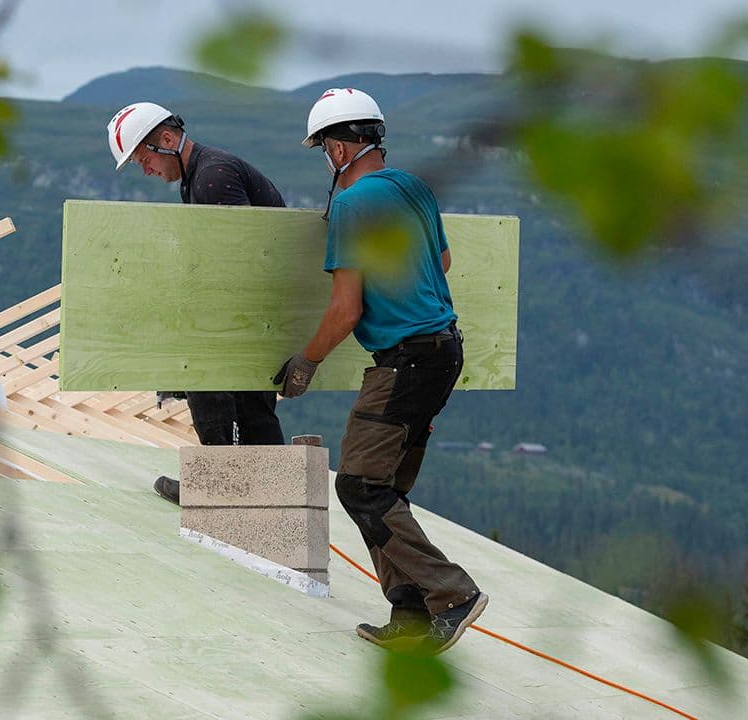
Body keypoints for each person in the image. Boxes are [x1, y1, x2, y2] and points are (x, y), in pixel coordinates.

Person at [273, 88, 487, 655]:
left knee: (360, 486)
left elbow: (346, 309)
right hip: (443, 353)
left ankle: (452, 592)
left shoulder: (351, 205)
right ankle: (411, 614)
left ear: (340, 148)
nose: (327, 159)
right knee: (385, 488)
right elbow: (442, 261)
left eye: (324, 149)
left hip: (407, 360)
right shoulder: (413, 186)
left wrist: (306, 362)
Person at [106, 102, 286, 504]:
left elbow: (238, 257)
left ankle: (222, 489)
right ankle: (265, 496)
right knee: (252, 410)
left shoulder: (211, 177)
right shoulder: (202, 174)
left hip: (251, 313)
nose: (147, 170)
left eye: (145, 158)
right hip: (262, 311)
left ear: (167, 140)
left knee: (206, 375)